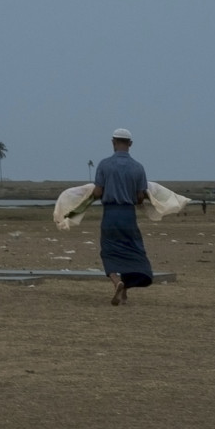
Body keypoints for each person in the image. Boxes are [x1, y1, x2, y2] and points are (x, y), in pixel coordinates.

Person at [89, 128, 153, 306]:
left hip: (110, 214)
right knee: (131, 250)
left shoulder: (104, 165)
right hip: (128, 215)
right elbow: (140, 197)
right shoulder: (138, 167)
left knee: (109, 250)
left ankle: (117, 281)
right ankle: (124, 292)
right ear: (130, 144)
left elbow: (98, 192)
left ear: (113, 142)